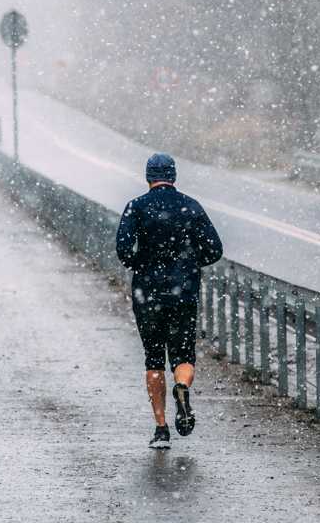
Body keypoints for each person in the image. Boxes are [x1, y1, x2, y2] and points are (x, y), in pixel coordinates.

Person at [115, 153, 223, 449]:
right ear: (173, 176)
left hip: (147, 294)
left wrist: (142, 262)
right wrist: (189, 264)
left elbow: (123, 250)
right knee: (183, 355)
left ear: (148, 177)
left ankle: (161, 429)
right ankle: (182, 386)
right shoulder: (191, 206)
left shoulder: (136, 207)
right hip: (183, 293)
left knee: (153, 358)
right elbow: (215, 249)